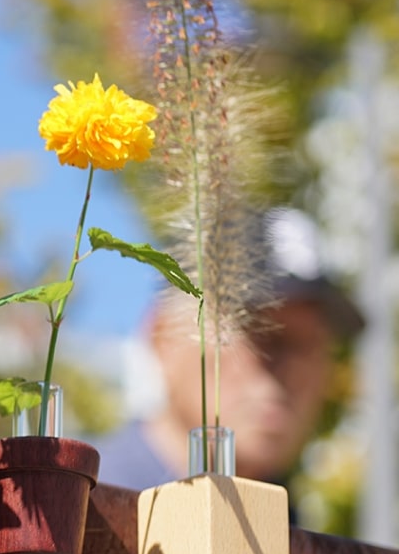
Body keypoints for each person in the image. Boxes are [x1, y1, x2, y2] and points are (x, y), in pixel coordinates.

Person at [97, 207, 365, 491]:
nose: (291, 370)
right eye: (259, 333)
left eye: (311, 345)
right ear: (163, 337)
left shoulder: (292, 527)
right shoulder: (79, 511)